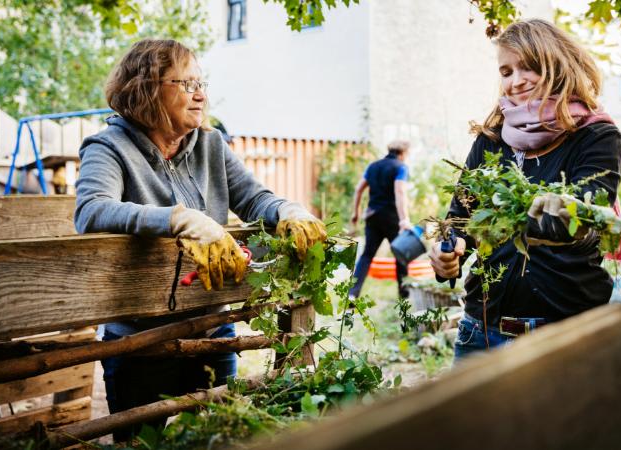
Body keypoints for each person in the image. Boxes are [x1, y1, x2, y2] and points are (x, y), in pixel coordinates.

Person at [74, 39, 326, 441]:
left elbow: (254, 199)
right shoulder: (109, 148)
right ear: (147, 88)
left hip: (212, 329)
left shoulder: (210, 145)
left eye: (201, 82)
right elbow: (91, 211)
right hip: (141, 341)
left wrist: (287, 211)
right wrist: (177, 218)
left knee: (220, 437)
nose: (201, 94)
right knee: (141, 443)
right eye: (186, 83)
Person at [428, 19, 621, 360]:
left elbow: (587, 219)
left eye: (528, 68)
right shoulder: (491, 140)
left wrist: (543, 215)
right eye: (506, 71)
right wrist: (448, 252)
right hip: (482, 332)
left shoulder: (595, 136)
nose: (515, 81)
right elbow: (460, 220)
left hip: (567, 333)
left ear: (557, 66)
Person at [349, 140, 412, 299]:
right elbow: (400, 191)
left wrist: (355, 213)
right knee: (401, 254)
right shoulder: (401, 167)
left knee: (367, 255)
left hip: (373, 216)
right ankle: (403, 295)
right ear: (403, 153)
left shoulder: (373, 166)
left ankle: (352, 293)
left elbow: (358, 189)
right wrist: (404, 219)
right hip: (392, 219)